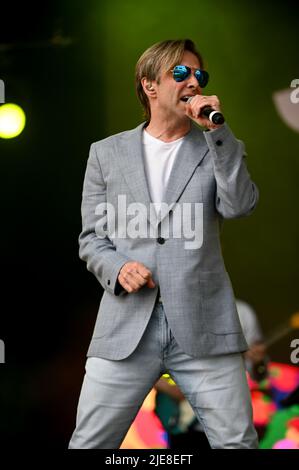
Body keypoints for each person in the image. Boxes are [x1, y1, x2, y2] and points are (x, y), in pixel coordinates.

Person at [69, 39, 259, 449]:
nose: (193, 81)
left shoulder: (220, 147)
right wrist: (117, 268)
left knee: (237, 443)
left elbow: (240, 206)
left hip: (205, 324)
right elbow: (92, 239)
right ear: (150, 85)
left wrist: (218, 133)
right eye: (180, 73)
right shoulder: (106, 154)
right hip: (126, 326)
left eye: (199, 75)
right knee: (89, 444)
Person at [154, 299, 268, 449]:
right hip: (183, 421)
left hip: (228, 418)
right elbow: (142, 363)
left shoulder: (241, 312)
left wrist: (258, 362)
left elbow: (260, 375)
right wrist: (172, 389)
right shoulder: (167, 310)